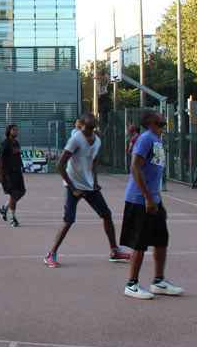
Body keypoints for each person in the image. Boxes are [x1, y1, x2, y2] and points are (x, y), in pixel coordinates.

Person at [44, 112, 131, 267]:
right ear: (83, 123)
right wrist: (73, 188)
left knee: (106, 215)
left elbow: (93, 163)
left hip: (89, 186)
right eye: (90, 118)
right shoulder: (76, 139)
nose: (94, 119)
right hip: (73, 185)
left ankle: (114, 250)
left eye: (95, 117)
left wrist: (95, 182)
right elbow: (60, 165)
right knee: (69, 220)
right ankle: (51, 253)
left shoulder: (97, 140)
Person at [120, 109, 183, 299]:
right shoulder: (146, 138)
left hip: (153, 198)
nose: (162, 116)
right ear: (150, 120)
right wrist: (147, 197)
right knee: (139, 243)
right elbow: (135, 168)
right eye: (158, 116)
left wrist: (155, 198)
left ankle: (158, 281)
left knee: (161, 239)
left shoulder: (157, 140)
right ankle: (131, 284)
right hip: (140, 199)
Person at [0, 124, 26, 227]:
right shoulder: (5, 143)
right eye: (14, 130)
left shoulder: (17, 143)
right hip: (8, 172)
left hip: (17, 171)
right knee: (13, 195)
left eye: (17, 130)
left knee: (22, 192)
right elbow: (0, 158)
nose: (16, 131)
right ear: (9, 131)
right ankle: (13, 218)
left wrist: (22, 167)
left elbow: (18, 156)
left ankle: (4, 207)